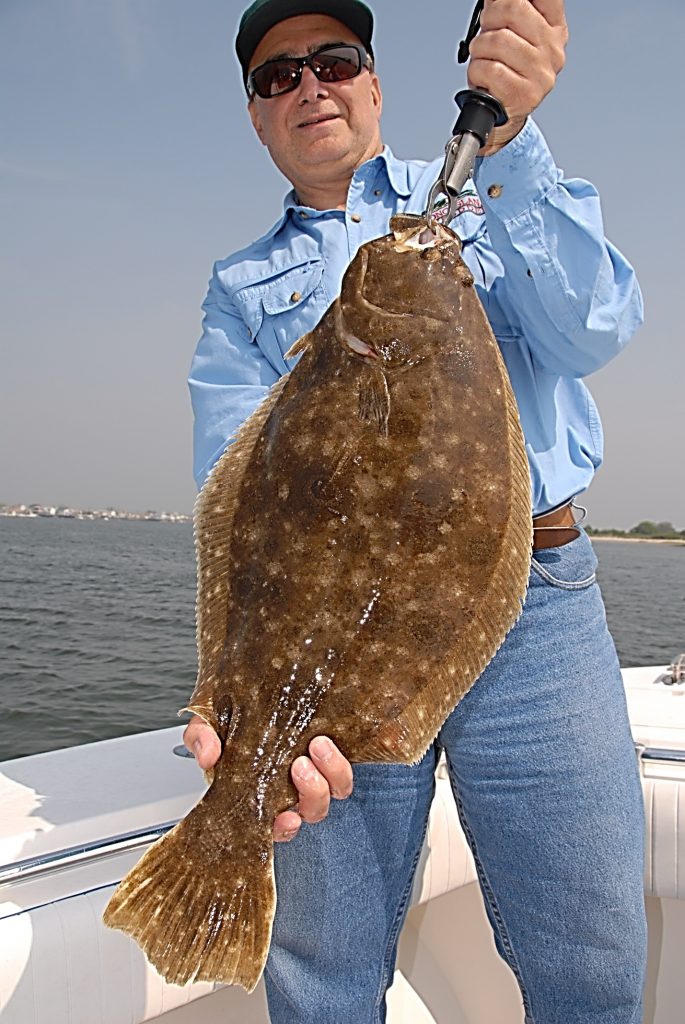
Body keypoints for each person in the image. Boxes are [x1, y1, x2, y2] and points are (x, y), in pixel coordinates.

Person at [185, 1, 647, 1021]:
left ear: (376, 85)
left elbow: (592, 327)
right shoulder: (237, 291)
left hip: (538, 608)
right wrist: (237, 689)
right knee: (325, 972)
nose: (309, 85)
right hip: (343, 637)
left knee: (593, 956)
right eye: (276, 78)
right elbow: (237, 496)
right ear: (258, 120)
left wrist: (515, 140)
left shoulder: (488, 180)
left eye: (335, 61)